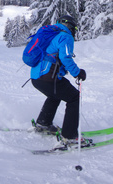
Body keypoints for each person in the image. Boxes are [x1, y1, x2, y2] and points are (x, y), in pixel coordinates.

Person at [31, 14, 87, 147]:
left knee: (55, 95)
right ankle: (70, 136)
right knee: (74, 97)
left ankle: (43, 123)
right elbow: (65, 58)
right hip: (48, 78)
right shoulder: (65, 36)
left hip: (36, 78)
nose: (74, 32)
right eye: (74, 29)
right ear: (71, 26)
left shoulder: (51, 34)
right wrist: (77, 73)